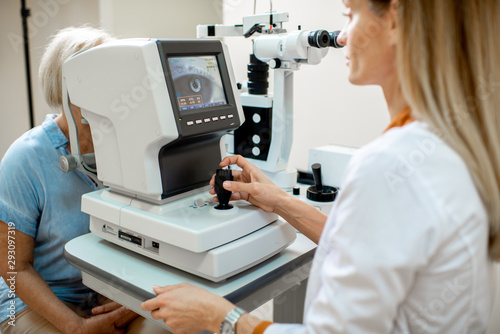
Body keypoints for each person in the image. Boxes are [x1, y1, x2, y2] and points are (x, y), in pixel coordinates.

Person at [141, 0, 500, 333]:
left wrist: (220, 316)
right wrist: (279, 199)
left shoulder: (389, 164)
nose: (343, 36)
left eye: (350, 15)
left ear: (395, 20)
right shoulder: (457, 141)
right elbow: (372, 249)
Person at [0, 26, 169, 334]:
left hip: (107, 289)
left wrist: (133, 299)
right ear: (68, 88)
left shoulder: (127, 146)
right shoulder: (24, 160)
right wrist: (76, 327)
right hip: (30, 301)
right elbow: (13, 264)